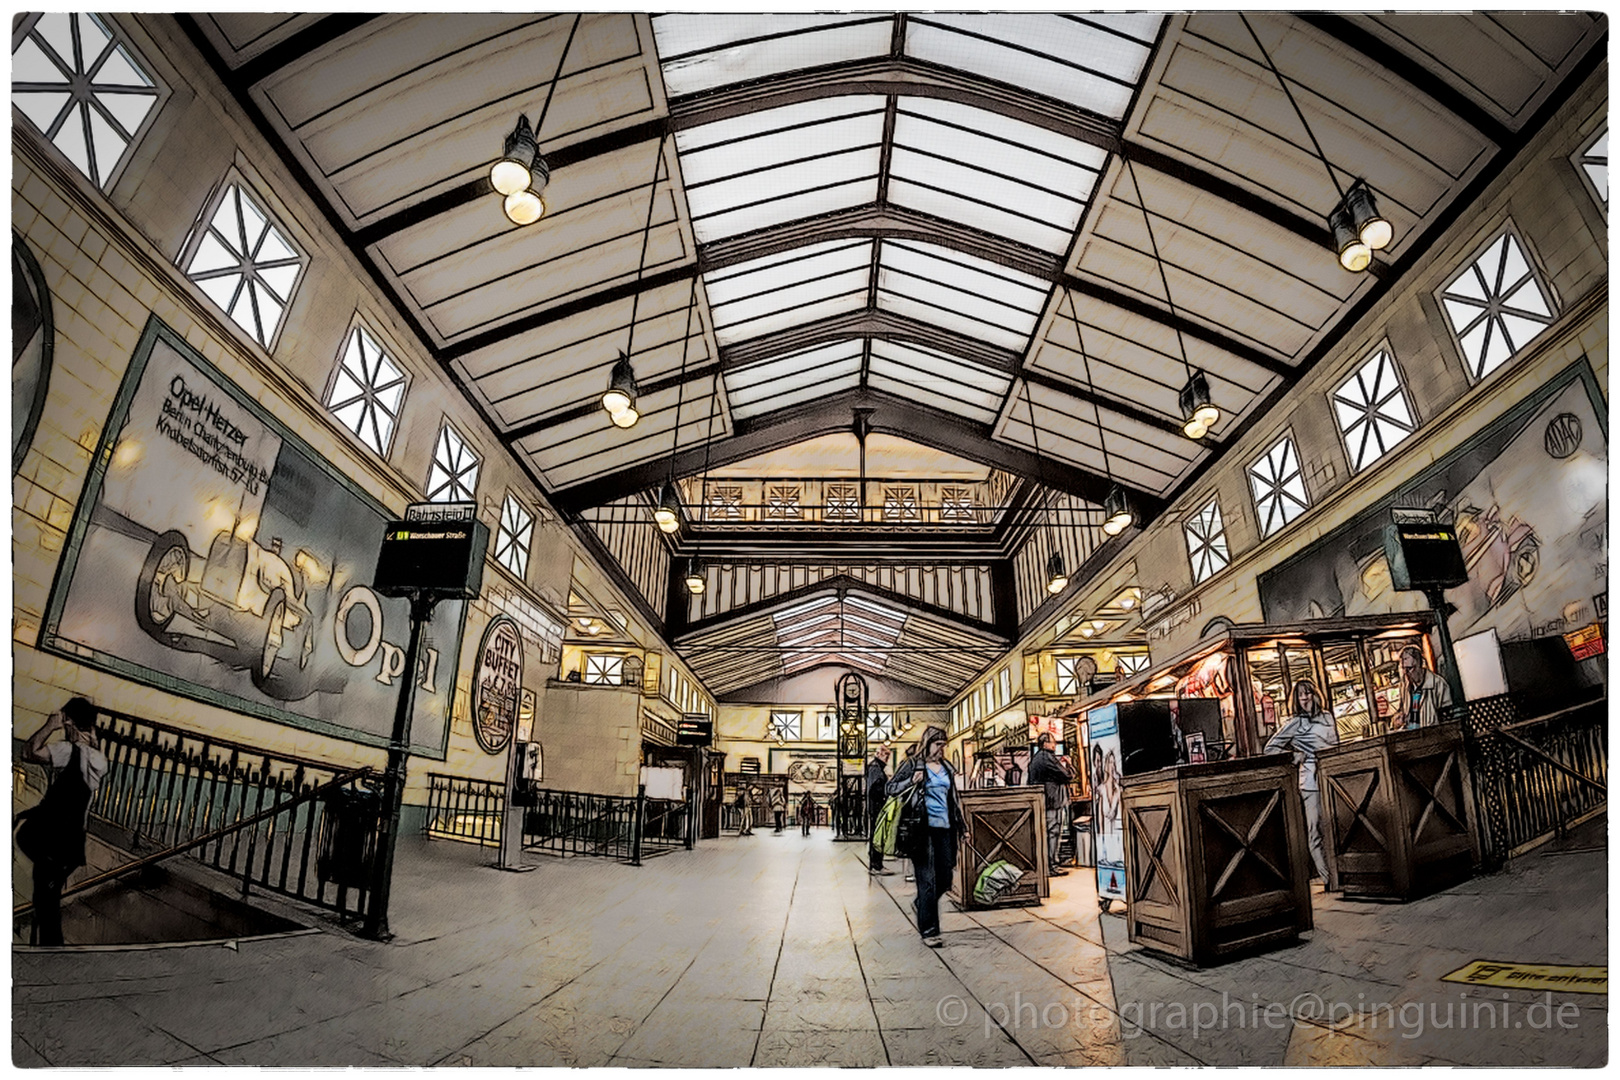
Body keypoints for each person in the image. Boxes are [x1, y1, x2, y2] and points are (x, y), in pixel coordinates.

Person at [17, 697, 108, 946]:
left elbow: (28, 752)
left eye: (65, 720)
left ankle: (51, 952)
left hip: (52, 842)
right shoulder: (98, 759)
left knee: (45, 904)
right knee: (48, 899)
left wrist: (49, 726)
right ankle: (48, 948)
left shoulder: (67, 751)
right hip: (72, 843)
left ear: (68, 721)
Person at [886, 726, 964, 948]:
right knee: (927, 881)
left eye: (944, 746)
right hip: (921, 829)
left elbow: (953, 801)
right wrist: (911, 781)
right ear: (928, 743)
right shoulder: (912, 765)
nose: (942, 749)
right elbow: (890, 788)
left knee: (945, 878)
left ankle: (922, 904)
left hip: (945, 829)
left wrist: (962, 827)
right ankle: (930, 931)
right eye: (938, 745)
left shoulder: (947, 768)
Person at [1265, 680, 1340, 881]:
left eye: (1308, 693)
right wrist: (1294, 756)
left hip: (1333, 777)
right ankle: (1328, 878)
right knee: (1315, 828)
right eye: (1300, 695)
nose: (1305, 698)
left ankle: (1340, 872)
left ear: (1316, 694)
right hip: (1310, 782)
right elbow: (1270, 748)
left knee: (1336, 824)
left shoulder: (1327, 717)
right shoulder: (1294, 722)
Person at [1027, 732, 1075, 876]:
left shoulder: (1036, 759)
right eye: (1053, 741)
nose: (1054, 745)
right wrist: (1069, 765)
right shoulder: (1047, 758)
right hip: (1052, 801)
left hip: (1042, 801)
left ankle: (1046, 864)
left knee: (1046, 834)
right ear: (1046, 743)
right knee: (1053, 833)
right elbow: (1067, 776)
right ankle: (1051, 865)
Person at [1392, 645, 1453, 730]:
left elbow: (1448, 717)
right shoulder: (1404, 686)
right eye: (1403, 669)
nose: (1406, 673)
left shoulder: (1438, 684)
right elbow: (1402, 710)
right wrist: (1398, 719)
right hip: (1413, 737)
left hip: (1432, 737)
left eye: (1409, 668)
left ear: (1419, 665)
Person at [865, 745, 893, 875]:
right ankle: (876, 865)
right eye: (886, 755)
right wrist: (884, 795)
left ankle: (876, 864)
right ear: (880, 754)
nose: (887, 759)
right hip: (877, 807)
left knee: (877, 835)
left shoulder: (875, 767)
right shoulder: (875, 768)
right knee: (877, 835)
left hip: (875, 806)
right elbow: (875, 789)